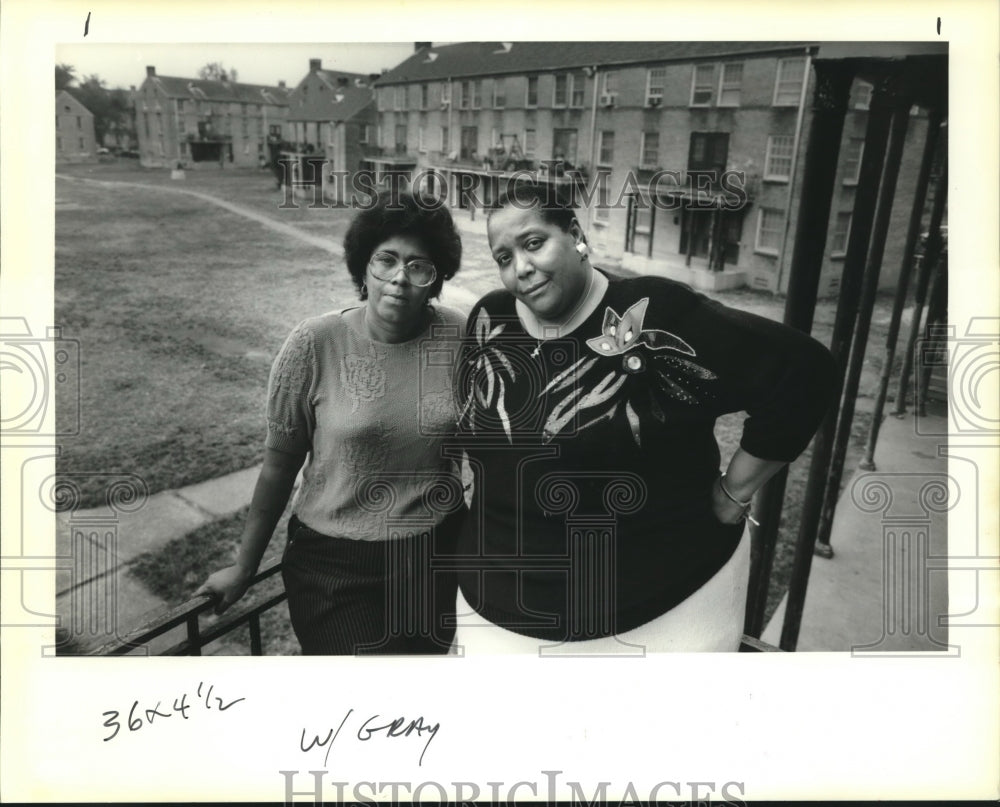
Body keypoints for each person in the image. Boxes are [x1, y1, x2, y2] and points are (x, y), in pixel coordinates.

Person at [452, 183, 837, 652]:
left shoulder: (653, 315)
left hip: (659, 615)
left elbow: (801, 372)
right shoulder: (490, 318)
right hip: (496, 615)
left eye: (534, 243)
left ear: (575, 235)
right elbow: (475, 427)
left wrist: (734, 492)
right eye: (504, 258)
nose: (522, 268)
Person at [197, 189, 467, 654]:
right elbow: (279, 468)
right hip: (334, 567)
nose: (400, 278)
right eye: (387, 260)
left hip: (434, 558)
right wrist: (244, 567)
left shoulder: (460, 336)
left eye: (419, 266)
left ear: (436, 277)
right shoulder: (314, 344)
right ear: (364, 265)